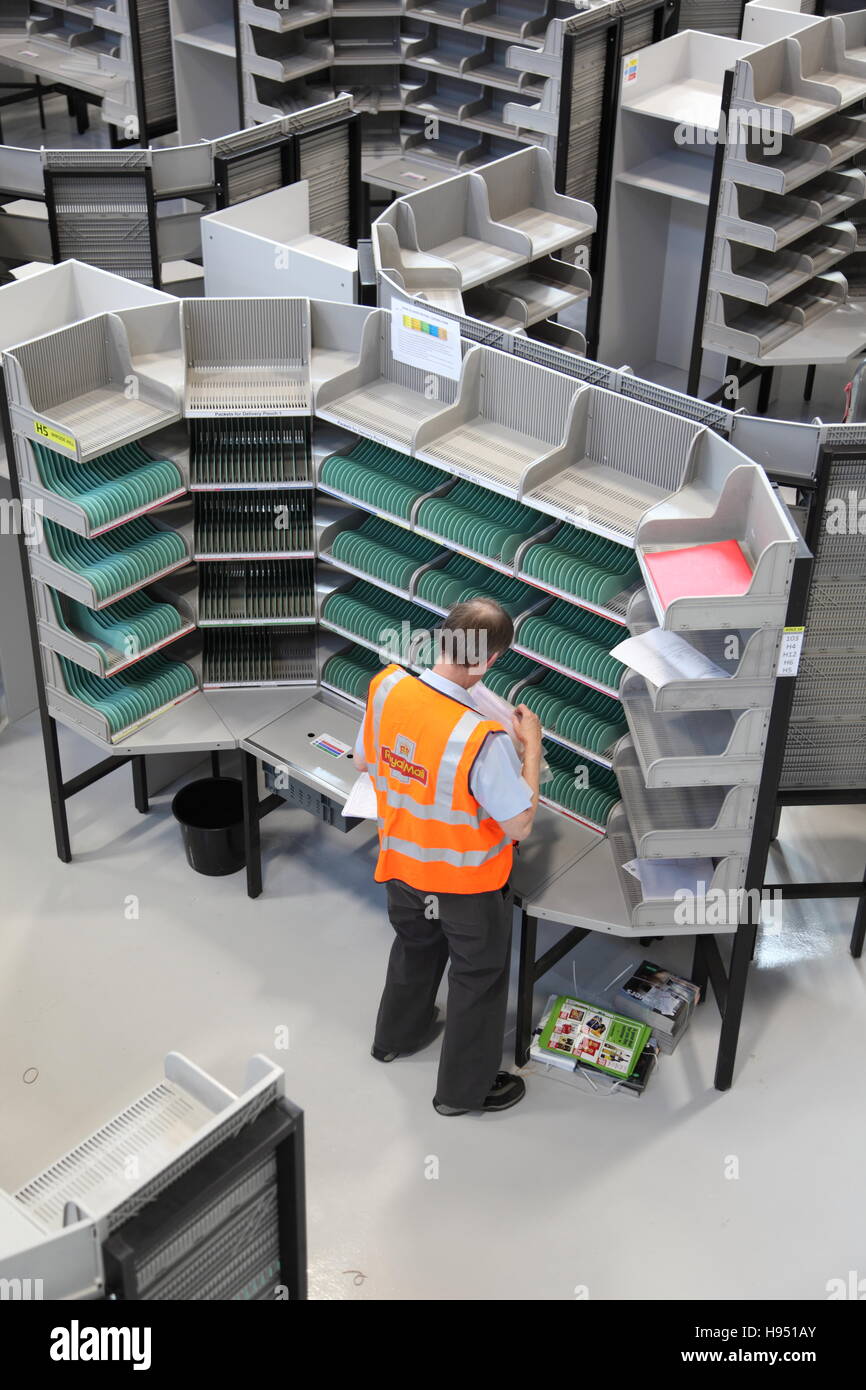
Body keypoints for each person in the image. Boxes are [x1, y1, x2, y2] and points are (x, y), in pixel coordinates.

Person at [352, 597, 543, 1116]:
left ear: (442, 638)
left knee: (415, 948)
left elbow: (366, 759)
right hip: (466, 887)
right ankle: (463, 1092)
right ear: (491, 661)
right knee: (477, 980)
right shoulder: (482, 739)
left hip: (401, 867)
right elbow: (519, 822)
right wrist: (532, 749)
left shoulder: (387, 686)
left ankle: (396, 1037)